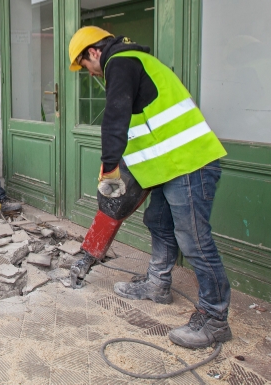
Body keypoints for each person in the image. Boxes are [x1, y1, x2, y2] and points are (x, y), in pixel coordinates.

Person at [68, 26, 231, 349]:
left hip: (190, 164)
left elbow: (115, 117)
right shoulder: (134, 63)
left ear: (94, 52)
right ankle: (157, 285)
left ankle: (214, 318)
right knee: (157, 221)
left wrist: (110, 169)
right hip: (170, 167)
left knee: (194, 241)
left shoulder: (121, 62)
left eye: (85, 66)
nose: (89, 73)